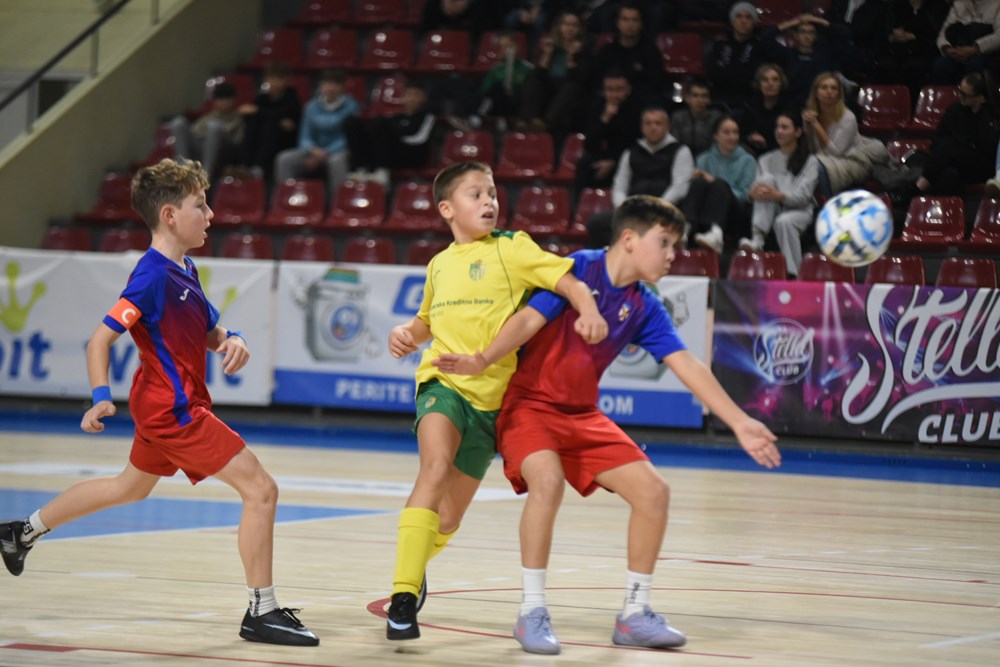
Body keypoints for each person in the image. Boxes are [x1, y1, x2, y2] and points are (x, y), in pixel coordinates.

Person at [433, 194, 781, 655]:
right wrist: (482, 360)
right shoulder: (579, 268)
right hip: (528, 408)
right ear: (629, 239)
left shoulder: (645, 304)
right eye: (665, 243)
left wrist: (739, 421)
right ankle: (532, 611)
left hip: (582, 416)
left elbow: (687, 364)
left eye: (676, 246)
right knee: (547, 482)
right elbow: (527, 321)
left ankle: (635, 614)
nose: (673, 255)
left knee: (654, 492)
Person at [0, 158, 319, 647]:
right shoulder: (150, 276)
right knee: (261, 490)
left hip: (162, 403)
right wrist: (100, 398)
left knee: (128, 488)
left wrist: (233, 338)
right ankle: (262, 610)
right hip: (174, 410)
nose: (211, 214)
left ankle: (21, 531)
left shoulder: (184, 268)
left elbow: (209, 331)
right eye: (200, 205)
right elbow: (99, 340)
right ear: (170, 215)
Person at [383, 160, 608, 642]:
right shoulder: (439, 264)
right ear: (447, 209)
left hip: (493, 404)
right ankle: (402, 597)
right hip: (442, 384)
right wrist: (406, 333)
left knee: (448, 518)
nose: (489, 201)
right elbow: (426, 323)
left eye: (492, 194)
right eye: (476, 194)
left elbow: (569, 281)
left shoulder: (513, 248)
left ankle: (414, 570)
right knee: (433, 469)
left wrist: (588, 308)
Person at [586, 105, 694, 248]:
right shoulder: (630, 152)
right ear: (642, 127)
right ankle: (616, 257)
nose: (653, 127)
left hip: (666, 211)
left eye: (658, 123)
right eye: (648, 123)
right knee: (597, 223)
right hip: (634, 212)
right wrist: (624, 208)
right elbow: (619, 186)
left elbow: (679, 187)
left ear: (668, 127)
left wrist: (657, 208)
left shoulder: (681, 151)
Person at [739, 112, 821, 277]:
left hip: (800, 210)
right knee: (766, 179)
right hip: (771, 208)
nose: (779, 131)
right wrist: (752, 194)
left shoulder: (810, 161)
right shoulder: (765, 159)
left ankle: (793, 273)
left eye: (785, 127)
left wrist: (778, 196)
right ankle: (758, 240)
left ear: (798, 132)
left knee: (784, 221)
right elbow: (757, 190)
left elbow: (803, 197)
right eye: (777, 127)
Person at [273, 68, 361, 199]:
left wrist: (325, 153)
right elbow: (304, 135)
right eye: (326, 83)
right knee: (284, 159)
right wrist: (312, 150)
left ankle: (338, 201)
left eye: (335, 84)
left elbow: (348, 137)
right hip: (313, 151)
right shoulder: (311, 106)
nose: (330, 87)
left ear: (342, 87)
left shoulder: (351, 107)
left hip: (338, 151)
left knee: (336, 162)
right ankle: (286, 199)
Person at [913, 71, 1000, 196]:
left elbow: (987, 149)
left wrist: (979, 117)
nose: (960, 96)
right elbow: (937, 139)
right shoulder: (954, 110)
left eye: (965, 95)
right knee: (948, 174)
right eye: (959, 90)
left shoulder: (991, 117)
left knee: (950, 148)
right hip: (954, 163)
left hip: (980, 166)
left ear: (981, 98)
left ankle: (916, 189)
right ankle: (946, 208)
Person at [687, 116, 757, 254]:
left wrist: (716, 184)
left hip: (735, 212)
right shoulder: (703, 159)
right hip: (705, 210)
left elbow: (745, 195)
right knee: (698, 183)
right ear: (716, 135)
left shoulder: (748, 161)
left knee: (719, 184)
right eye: (726, 132)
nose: (732, 137)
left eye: (735, 132)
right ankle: (685, 229)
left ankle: (716, 233)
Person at [345, 81, 435, 184]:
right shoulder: (396, 118)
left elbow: (419, 139)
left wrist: (393, 138)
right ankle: (358, 168)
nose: (412, 98)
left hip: (413, 155)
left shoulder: (428, 116)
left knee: (381, 124)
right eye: (409, 94)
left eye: (416, 95)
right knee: (353, 122)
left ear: (423, 98)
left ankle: (381, 169)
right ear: (403, 97)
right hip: (393, 153)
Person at [519, 10, 593, 137]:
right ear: (559, 27)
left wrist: (571, 57)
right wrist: (547, 54)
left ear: (580, 29)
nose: (569, 28)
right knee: (534, 81)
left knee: (571, 87)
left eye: (574, 25)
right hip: (550, 89)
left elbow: (580, 79)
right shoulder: (551, 47)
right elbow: (539, 75)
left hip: (571, 92)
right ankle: (528, 120)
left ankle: (546, 123)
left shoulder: (584, 51)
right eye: (566, 24)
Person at [575, 69, 642, 192]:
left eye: (619, 90)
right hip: (606, 154)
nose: (615, 95)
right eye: (610, 90)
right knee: (586, 162)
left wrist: (613, 161)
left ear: (628, 89)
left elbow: (637, 143)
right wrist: (605, 118)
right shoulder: (598, 106)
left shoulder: (637, 107)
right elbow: (590, 145)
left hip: (629, 157)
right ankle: (581, 202)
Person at [590, 2, 667, 107]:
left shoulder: (651, 52)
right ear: (617, 23)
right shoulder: (607, 51)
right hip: (610, 100)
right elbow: (597, 80)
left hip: (640, 102)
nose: (630, 24)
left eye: (635, 20)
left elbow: (656, 83)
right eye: (625, 19)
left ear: (641, 24)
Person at [707, 2, 782, 109]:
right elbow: (713, 73)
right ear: (732, 21)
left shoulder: (761, 48)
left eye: (748, 17)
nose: (743, 21)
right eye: (739, 16)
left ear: (754, 22)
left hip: (749, 104)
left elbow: (755, 78)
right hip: (719, 101)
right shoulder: (719, 46)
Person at [240, 61, 302, 188]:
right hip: (262, 137)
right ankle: (244, 166)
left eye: (279, 78)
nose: (275, 82)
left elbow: (289, 121)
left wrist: (261, 112)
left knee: (271, 126)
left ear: (286, 80)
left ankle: (258, 168)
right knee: (252, 125)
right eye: (272, 78)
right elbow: (262, 115)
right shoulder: (262, 98)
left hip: (285, 139)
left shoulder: (292, 97)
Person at [170, 82, 245, 182]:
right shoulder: (208, 117)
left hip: (223, 154)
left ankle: (205, 177)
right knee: (178, 122)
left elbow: (237, 143)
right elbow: (194, 134)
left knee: (214, 126)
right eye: (220, 99)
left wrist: (220, 133)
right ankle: (183, 172)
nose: (224, 103)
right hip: (201, 149)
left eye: (227, 99)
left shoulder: (239, 119)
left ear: (233, 100)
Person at [802, 72, 862, 196]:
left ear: (839, 93)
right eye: (824, 87)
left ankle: (829, 203)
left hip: (846, 162)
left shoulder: (848, 117)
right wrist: (808, 128)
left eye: (834, 88)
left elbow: (836, 153)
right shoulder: (812, 114)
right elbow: (812, 149)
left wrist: (816, 125)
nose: (829, 92)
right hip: (821, 159)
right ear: (816, 92)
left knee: (816, 167)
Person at [881, 0, 949, 99]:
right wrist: (892, 36)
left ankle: (910, 104)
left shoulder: (937, 7)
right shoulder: (897, 6)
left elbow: (936, 36)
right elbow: (887, 30)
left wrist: (914, 36)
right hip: (898, 50)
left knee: (912, 68)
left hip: (924, 51)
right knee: (885, 65)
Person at [932, 0, 1000, 84]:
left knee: (976, 64)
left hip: (986, 52)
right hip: (958, 50)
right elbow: (943, 32)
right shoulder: (960, 4)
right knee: (941, 65)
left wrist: (975, 49)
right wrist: (948, 49)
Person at [669, 78, 725, 158]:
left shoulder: (717, 118)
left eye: (704, 96)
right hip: (682, 158)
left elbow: (719, 145)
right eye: (695, 96)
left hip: (710, 160)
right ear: (687, 98)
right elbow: (674, 145)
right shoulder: (678, 117)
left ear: (709, 100)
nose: (700, 100)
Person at [741, 63, 789, 156]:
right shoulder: (750, 107)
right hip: (752, 153)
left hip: (781, 153)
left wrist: (766, 143)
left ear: (781, 84)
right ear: (759, 85)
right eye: (765, 80)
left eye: (775, 80)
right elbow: (743, 134)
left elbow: (790, 139)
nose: (770, 84)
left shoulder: (788, 109)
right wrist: (751, 138)